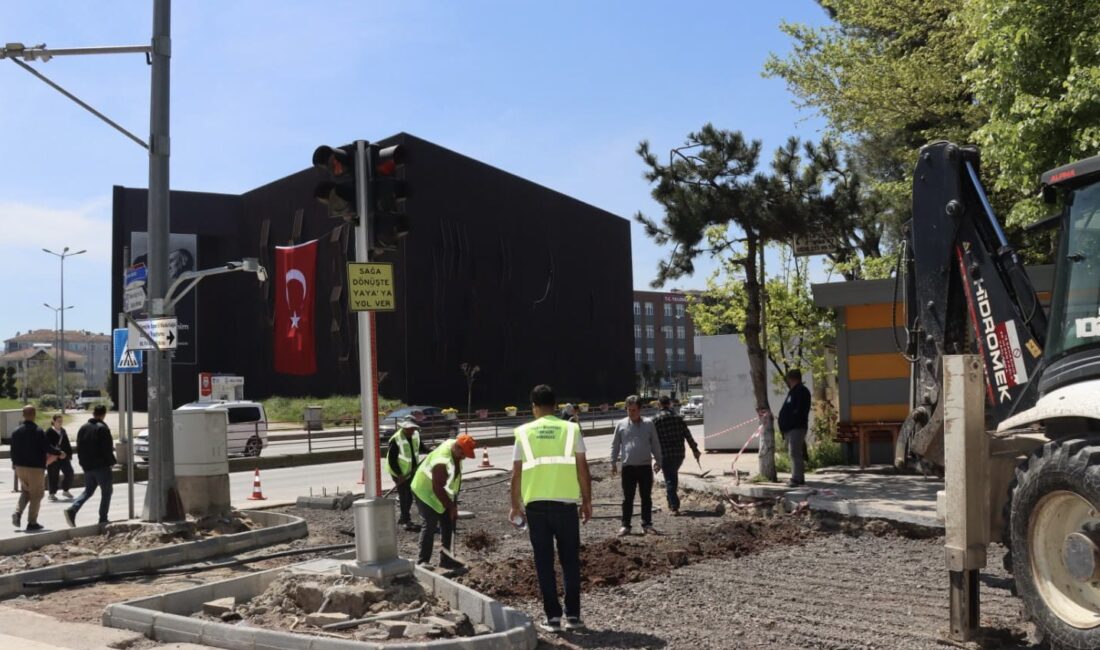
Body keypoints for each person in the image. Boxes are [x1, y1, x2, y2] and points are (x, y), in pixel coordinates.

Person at [510, 384, 593, 633]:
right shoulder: (571, 429)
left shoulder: (523, 432)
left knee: (544, 563)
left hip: (536, 507)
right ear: (555, 406)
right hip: (566, 505)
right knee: (570, 561)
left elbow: (516, 473)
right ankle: (574, 617)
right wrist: (587, 500)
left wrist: (515, 505)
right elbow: (582, 469)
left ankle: (553, 618)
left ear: (534, 406)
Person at [410, 432, 477, 569]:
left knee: (448, 523)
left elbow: (449, 483)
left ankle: (446, 559)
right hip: (425, 491)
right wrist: (451, 507)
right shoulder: (442, 460)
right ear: (457, 448)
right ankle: (423, 561)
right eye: (463, 454)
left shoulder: (454, 446)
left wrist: (452, 505)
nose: (464, 458)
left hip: (440, 491)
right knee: (430, 524)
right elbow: (438, 488)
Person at [610, 395, 662, 536]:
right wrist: (613, 462)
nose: (631, 412)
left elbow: (655, 443)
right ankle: (625, 525)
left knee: (646, 497)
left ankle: (647, 524)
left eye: (634, 410)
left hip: (645, 467)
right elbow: (615, 445)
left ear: (640, 410)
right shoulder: (621, 425)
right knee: (627, 498)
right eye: (628, 409)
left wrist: (659, 460)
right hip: (628, 467)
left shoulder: (649, 424)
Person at [64, 405, 116, 526]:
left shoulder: (83, 428)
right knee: (107, 492)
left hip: (87, 467)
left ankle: (73, 509)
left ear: (93, 413)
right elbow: (106, 449)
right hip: (101, 466)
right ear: (104, 414)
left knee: (88, 491)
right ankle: (103, 518)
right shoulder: (102, 428)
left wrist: (83, 463)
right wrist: (112, 462)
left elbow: (79, 447)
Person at [11, 405, 59, 531]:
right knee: (37, 494)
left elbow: (13, 450)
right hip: (35, 468)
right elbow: (47, 448)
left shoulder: (16, 431)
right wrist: (60, 453)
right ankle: (32, 522)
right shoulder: (38, 431)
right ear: (34, 415)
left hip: (20, 467)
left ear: (23, 415)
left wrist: (14, 464)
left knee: (26, 491)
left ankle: (17, 513)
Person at [653, 395, 701, 515]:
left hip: (665, 454)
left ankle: (674, 506)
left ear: (659, 405)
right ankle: (670, 501)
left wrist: (656, 458)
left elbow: (652, 440)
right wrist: (695, 450)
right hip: (679, 454)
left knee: (670, 479)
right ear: (669, 404)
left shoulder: (655, 420)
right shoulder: (678, 418)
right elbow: (687, 435)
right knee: (671, 476)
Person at [386, 417, 423, 532]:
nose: (411, 431)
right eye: (409, 429)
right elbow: (391, 460)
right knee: (404, 496)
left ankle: (403, 517)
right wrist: (399, 475)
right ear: (404, 428)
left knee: (409, 496)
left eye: (413, 428)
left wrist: (431, 450)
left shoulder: (415, 435)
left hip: (411, 471)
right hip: (398, 473)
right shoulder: (396, 439)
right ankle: (406, 521)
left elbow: (421, 447)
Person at [778, 369, 812, 487]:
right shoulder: (793, 391)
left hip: (797, 427)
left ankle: (797, 478)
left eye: (789, 379)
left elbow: (799, 410)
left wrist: (790, 421)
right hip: (791, 428)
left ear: (791, 379)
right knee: (794, 453)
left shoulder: (801, 391)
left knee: (795, 452)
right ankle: (797, 477)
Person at [45, 414, 75, 501]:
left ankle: (65, 490)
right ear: (53, 422)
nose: (60, 423)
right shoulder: (49, 432)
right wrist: (57, 453)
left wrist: (68, 455)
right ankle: (52, 493)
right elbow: (47, 446)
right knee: (53, 476)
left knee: (70, 472)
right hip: (53, 458)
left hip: (64, 457)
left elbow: (67, 443)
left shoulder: (63, 431)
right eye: (58, 421)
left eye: (61, 421)